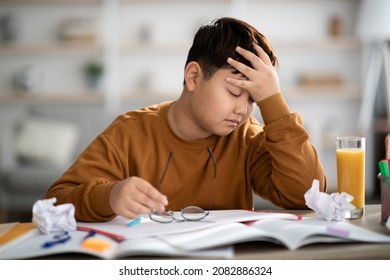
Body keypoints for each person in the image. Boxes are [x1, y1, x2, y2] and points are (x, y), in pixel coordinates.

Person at [45, 17, 327, 222]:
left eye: (253, 99)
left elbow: (306, 195)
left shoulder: (247, 137)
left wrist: (272, 101)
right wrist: (109, 196)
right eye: (233, 92)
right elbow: (54, 202)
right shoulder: (129, 133)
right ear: (193, 76)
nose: (243, 110)